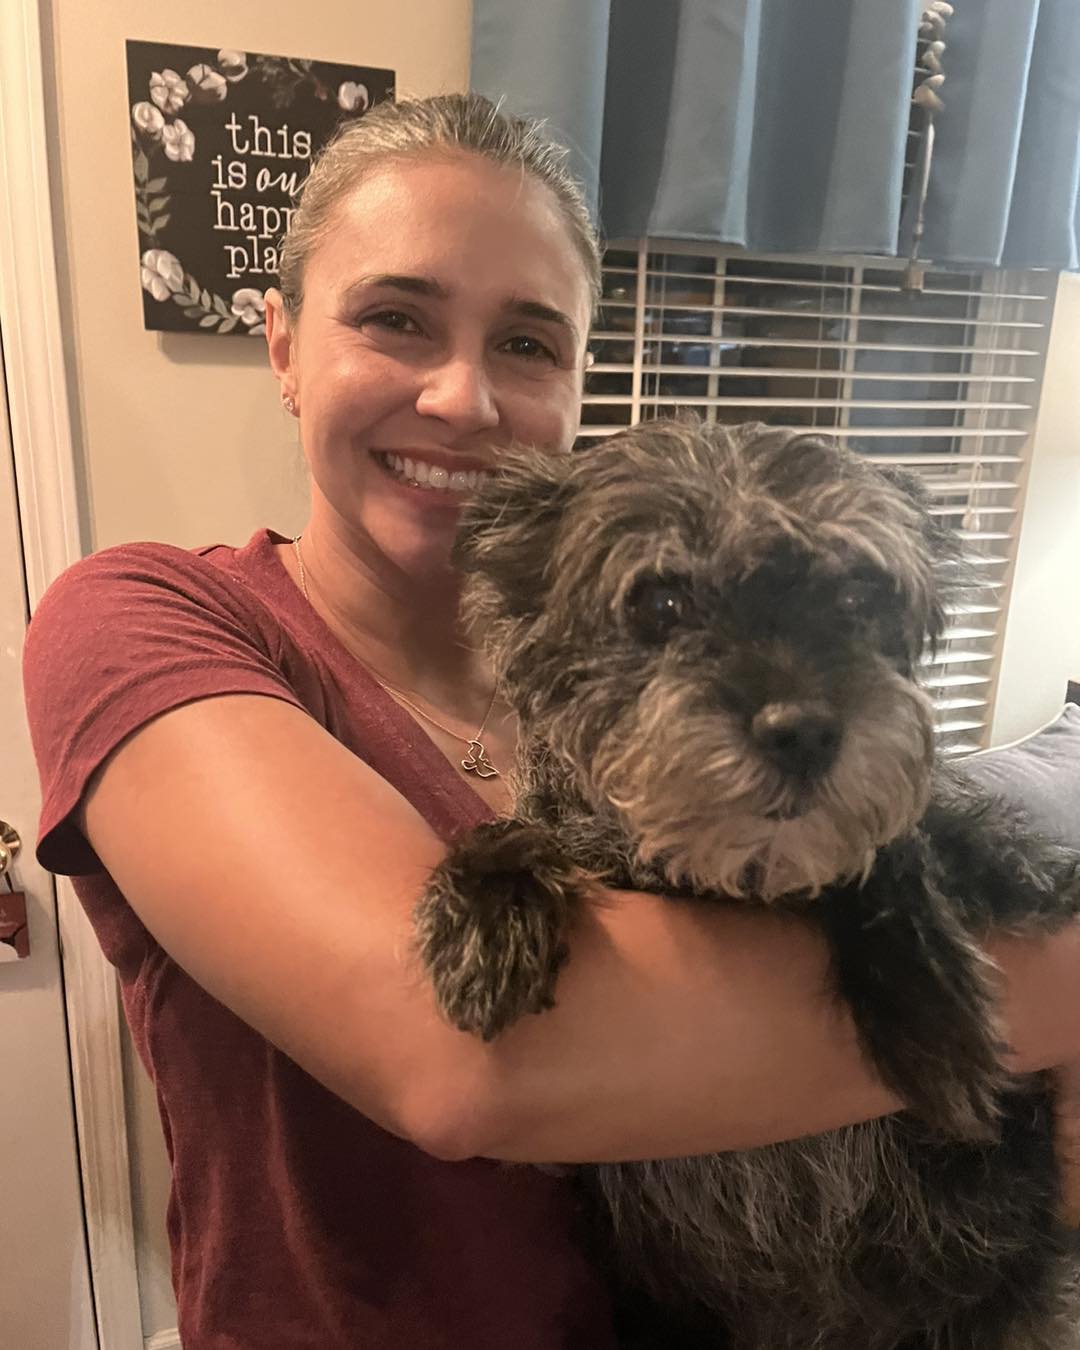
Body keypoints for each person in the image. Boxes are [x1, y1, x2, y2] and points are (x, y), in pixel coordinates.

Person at [22, 93, 1080, 1349]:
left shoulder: (620, 669)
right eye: (395, 320)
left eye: (529, 344)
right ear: (284, 344)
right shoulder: (149, 618)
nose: (464, 398)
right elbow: (461, 1064)